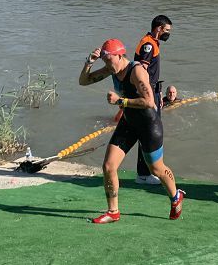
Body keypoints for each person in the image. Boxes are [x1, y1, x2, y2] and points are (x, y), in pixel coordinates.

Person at [78, 38, 185, 224]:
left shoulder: (136, 71)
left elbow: (150, 102)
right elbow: (83, 82)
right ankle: (113, 211)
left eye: (109, 60)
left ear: (120, 56)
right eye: (104, 60)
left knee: (157, 169)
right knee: (108, 166)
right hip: (128, 123)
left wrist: (120, 101)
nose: (107, 65)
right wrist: (89, 62)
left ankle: (175, 196)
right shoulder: (112, 69)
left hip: (148, 125)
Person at [132, 15, 180, 185]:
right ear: (158, 28)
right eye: (167, 30)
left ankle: (145, 172)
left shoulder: (153, 42)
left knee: (149, 132)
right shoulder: (148, 45)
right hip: (147, 95)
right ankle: (145, 174)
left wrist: (158, 94)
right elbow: (141, 71)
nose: (168, 34)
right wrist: (149, 95)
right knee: (150, 133)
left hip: (152, 93)